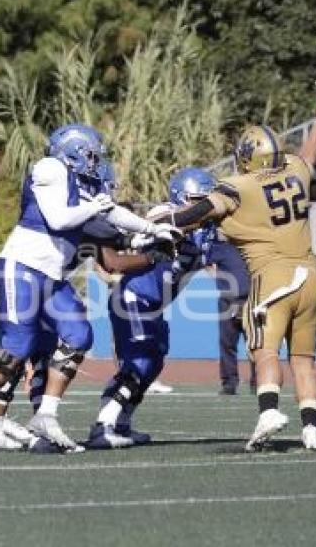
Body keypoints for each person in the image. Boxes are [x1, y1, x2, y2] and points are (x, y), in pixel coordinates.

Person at [169, 66, 316, 451]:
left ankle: (268, 411)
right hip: (311, 277)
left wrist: (170, 223)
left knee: (264, 350)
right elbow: (314, 141)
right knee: (304, 361)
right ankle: (311, 428)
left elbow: (204, 209)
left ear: (248, 157)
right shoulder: (295, 170)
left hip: (273, 277)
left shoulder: (239, 186)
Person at [0, 124, 180, 452]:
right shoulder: (64, 191)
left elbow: (112, 234)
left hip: (48, 282)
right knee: (24, 353)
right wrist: (149, 250)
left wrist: (145, 233)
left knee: (57, 345)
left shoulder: (85, 199)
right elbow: (110, 253)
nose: (102, 182)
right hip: (23, 278)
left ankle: (28, 423)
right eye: (90, 157)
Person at [87, 167, 218, 448]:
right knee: (139, 361)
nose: (204, 207)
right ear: (181, 198)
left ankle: (122, 423)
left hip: (153, 305)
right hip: (134, 297)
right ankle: (103, 424)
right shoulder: (165, 214)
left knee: (154, 362)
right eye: (198, 200)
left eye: (208, 200)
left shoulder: (208, 232)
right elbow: (157, 221)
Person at [212, 231, 254, 395]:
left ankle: (258, 382)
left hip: (250, 300)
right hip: (227, 302)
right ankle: (229, 382)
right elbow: (206, 262)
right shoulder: (220, 248)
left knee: (254, 344)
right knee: (227, 344)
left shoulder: (251, 247)